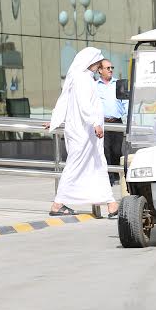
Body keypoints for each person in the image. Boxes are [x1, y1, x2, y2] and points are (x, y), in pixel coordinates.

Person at [45, 47, 115, 216]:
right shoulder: (82, 79)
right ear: (90, 62)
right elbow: (84, 105)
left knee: (97, 165)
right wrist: (95, 123)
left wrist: (55, 120)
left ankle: (111, 203)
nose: (99, 66)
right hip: (83, 133)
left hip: (87, 133)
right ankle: (58, 203)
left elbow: (67, 103)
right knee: (76, 166)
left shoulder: (83, 78)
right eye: (98, 63)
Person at [95, 59, 127, 187]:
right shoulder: (95, 86)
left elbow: (126, 102)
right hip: (103, 123)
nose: (110, 70)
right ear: (100, 70)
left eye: (111, 67)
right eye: (107, 68)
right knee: (105, 150)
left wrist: (128, 116)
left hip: (117, 122)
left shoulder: (118, 84)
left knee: (116, 150)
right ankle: (109, 178)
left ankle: (117, 174)